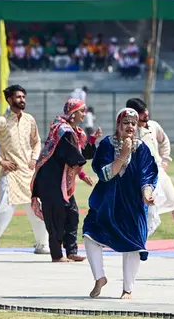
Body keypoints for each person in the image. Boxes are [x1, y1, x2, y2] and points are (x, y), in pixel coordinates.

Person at [83, 108, 158, 300]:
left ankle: (128, 289)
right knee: (90, 234)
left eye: (133, 123)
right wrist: (123, 155)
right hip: (107, 202)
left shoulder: (142, 148)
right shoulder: (107, 144)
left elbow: (147, 175)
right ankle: (99, 278)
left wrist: (147, 194)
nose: (130, 126)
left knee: (134, 244)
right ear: (118, 125)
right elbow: (105, 174)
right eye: (126, 123)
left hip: (132, 204)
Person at [0, 85, 48, 257]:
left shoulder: (29, 119)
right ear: (9, 100)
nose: (22, 100)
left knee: (38, 210)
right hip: (11, 174)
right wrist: (0, 161)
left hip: (29, 173)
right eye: (18, 97)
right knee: (3, 211)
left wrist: (34, 158)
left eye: (24, 97)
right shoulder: (1, 121)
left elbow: (37, 141)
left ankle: (42, 244)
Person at [31, 99, 101, 262]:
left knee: (72, 214)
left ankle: (71, 251)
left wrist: (91, 142)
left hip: (61, 182)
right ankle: (57, 255)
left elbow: (80, 154)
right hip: (50, 181)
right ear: (73, 112)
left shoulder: (75, 132)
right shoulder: (63, 131)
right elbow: (73, 156)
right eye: (82, 111)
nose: (84, 114)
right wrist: (83, 172)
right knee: (56, 216)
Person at [126, 98, 174, 248]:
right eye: (141, 112)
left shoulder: (154, 126)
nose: (145, 114)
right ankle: (130, 237)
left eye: (145, 110)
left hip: (159, 172)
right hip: (141, 176)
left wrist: (165, 161)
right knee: (137, 208)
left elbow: (164, 141)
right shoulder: (129, 131)